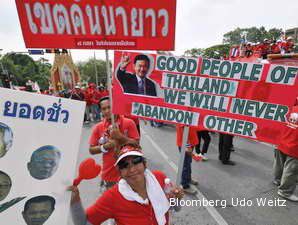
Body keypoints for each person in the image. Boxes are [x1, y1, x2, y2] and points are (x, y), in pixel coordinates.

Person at [68, 144, 183, 225]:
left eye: (136, 161)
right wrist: (74, 201)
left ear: (144, 164)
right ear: (120, 172)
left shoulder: (159, 178)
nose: (132, 169)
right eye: (124, 165)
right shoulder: (113, 197)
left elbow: (175, 208)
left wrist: (177, 199)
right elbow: (83, 223)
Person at [89, 96, 140, 189]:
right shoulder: (98, 127)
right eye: (104, 109)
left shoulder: (129, 123)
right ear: (101, 111)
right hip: (109, 176)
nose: (107, 111)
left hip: (130, 174)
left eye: (110, 107)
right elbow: (91, 150)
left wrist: (121, 138)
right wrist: (105, 147)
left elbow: (137, 145)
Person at [273, 104, 298, 201]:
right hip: (295, 146)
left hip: (282, 141)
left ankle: (277, 179)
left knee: (279, 163)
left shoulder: (291, 107)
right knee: (291, 170)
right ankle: (285, 191)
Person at [176, 125, 199, 194]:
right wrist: (188, 146)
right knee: (185, 164)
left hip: (190, 142)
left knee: (188, 162)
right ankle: (185, 185)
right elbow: (182, 130)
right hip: (185, 144)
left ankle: (188, 179)